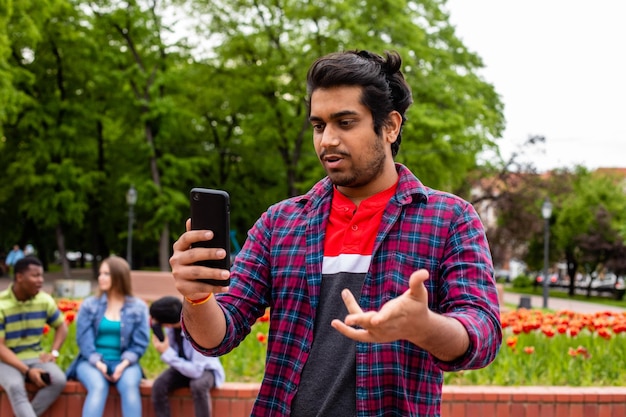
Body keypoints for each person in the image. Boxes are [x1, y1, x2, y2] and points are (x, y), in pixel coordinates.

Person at [169, 50, 502, 416]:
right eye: (318, 125)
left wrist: (425, 327)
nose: (327, 140)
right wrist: (197, 297)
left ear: (390, 126)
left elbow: (482, 332)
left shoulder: (449, 218)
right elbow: (218, 336)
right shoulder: (279, 223)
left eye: (344, 123)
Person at [66, 255, 149, 417]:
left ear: (119, 276)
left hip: (125, 363)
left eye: (106, 274)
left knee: (130, 386)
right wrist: (98, 364)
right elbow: (84, 341)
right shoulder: (90, 305)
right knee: (98, 386)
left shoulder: (138, 307)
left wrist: (124, 364)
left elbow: (140, 343)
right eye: (100, 273)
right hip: (91, 362)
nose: (100, 278)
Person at [0, 256, 68, 417]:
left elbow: (62, 327)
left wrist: (54, 353)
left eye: (41, 276)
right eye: (35, 276)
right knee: (16, 386)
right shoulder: (1, 305)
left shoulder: (44, 301)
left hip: (35, 357)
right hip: (5, 360)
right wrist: (27, 371)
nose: (41, 281)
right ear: (19, 277)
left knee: (58, 380)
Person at [149, 296, 225, 417]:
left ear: (167, 324)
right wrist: (165, 347)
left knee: (198, 385)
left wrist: (166, 353)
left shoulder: (197, 330)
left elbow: (196, 371)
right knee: (159, 385)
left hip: (205, 370)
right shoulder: (171, 330)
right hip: (184, 368)